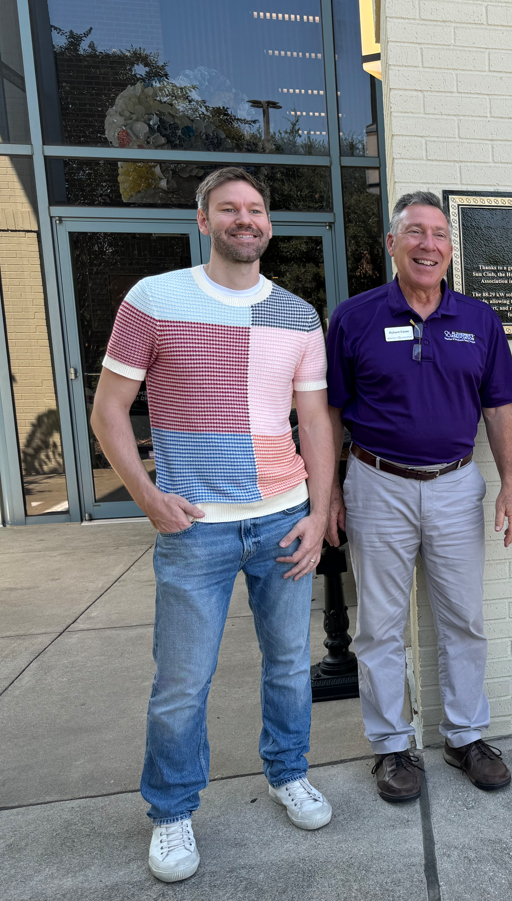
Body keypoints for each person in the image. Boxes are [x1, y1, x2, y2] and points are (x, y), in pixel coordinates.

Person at [90, 168, 334, 883]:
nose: (244, 219)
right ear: (203, 221)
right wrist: (145, 494)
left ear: (268, 224)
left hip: (283, 518)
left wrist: (320, 513)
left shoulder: (297, 315)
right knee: (182, 680)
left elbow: (314, 420)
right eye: (229, 209)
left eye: (255, 209)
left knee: (289, 665)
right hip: (194, 527)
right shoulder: (154, 300)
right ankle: (170, 812)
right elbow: (109, 410)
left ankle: (289, 772)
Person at [326, 191, 512, 803]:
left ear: (450, 248)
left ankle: (465, 737)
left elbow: (499, 407)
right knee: (380, 626)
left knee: (464, 618)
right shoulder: (353, 318)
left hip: (455, 486)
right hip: (376, 484)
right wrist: (327, 490)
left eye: (438, 234)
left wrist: (511, 486)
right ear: (392, 243)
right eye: (414, 232)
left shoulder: (478, 319)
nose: (428, 245)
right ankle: (391, 748)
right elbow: (329, 412)